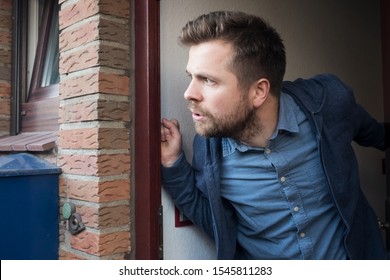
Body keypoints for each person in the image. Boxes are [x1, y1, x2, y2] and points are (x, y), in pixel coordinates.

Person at [160, 10, 387, 260]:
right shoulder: (208, 147)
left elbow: (375, 134)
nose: (189, 93)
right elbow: (216, 221)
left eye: (208, 80)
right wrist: (173, 164)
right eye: (191, 77)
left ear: (259, 91)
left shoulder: (328, 103)